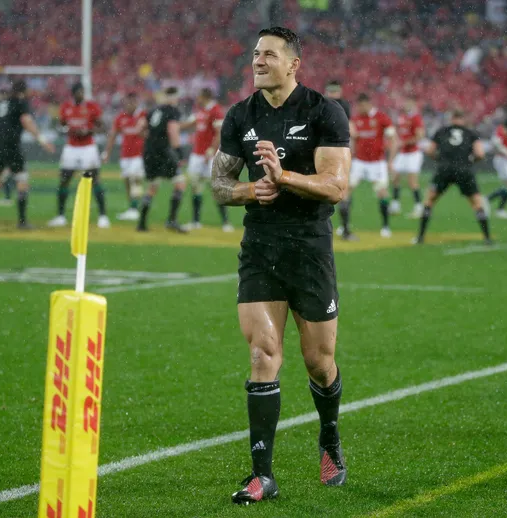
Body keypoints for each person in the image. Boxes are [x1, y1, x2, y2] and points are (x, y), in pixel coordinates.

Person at [211, 26, 350, 505]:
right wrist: (252, 189)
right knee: (262, 354)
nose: (258, 61)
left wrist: (284, 176)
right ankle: (262, 475)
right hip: (261, 248)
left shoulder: (323, 111)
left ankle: (329, 438)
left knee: (319, 362)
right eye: (255, 54)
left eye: (269, 54)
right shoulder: (240, 116)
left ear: (294, 64)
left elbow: (336, 186)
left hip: (309, 248)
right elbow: (219, 185)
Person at [0, 79, 55, 228]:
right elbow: (27, 121)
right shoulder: (21, 102)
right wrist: (42, 140)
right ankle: (22, 221)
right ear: (24, 91)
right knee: (22, 179)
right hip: (10, 146)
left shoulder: (4, 102)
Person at [415, 109, 491, 244]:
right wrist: (470, 161)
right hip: (464, 169)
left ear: (451, 118)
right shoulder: (471, 133)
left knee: (429, 200)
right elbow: (480, 154)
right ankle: (487, 238)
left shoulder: (442, 131)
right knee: (477, 203)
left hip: (444, 169)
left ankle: (420, 236)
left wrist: (440, 160)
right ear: (463, 119)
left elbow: (430, 150)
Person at [47, 82, 110, 229]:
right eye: (79, 92)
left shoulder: (91, 107)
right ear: (74, 93)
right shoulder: (66, 107)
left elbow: (102, 127)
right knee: (64, 180)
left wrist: (88, 131)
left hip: (88, 147)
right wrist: (67, 130)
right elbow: (60, 126)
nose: (81, 94)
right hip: (71, 147)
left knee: (95, 180)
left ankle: (103, 216)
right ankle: (61, 216)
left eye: (82, 92)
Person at [338, 92, 397, 240]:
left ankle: (385, 226)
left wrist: (390, 161)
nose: (359, 108)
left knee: (382, 193)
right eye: (358, 106)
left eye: (361, 105)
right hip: (359, 162)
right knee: (345, 191)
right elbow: (352, 140)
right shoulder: (356, 119)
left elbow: (393, 138)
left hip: (377, 162)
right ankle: (345, 226)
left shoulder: (381, 118)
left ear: (368, 104)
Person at [180, 88, 233, 232]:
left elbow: (219, 133)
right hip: (196, 155)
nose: (197, 99)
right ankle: (196, 221)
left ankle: (226, 222)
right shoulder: (200, 110)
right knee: (196, 186)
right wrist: (173, 124)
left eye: (199, 96)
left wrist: (211, 150)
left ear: (204, 97)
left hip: (210, 155)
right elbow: (188, 124)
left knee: (216, 187)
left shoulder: (216, 110)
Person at [137, 86, 188, 233]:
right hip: (163, 151)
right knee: (180, 183)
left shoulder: (154, 110)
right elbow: (173, 130)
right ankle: (171, 220)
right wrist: (179, 153)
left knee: (153, 185)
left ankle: (142, 223)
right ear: (175, 97)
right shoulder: (173, 111)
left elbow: (140, 128)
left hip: (149, 151)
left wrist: (152, 139)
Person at [103, 92, 146, 221]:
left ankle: (135, 209)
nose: (129, 105)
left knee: (135, 179)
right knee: (127, 181)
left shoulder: (143, 116)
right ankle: (132, 208)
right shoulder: (120, 118)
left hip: (139, 154)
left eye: (132, 102)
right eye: (128, 102)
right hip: (125, 155)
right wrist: (107, 152)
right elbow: (113, 135)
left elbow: (147, 134)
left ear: (136, 103)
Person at [391, 96, 425, 218]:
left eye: (409, 102)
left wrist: (404, 142)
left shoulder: (416, 118)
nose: (406, 104)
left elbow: (420, 136)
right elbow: (399, 135)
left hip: (413, 154)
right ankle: (395, 205)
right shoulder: (402, 117)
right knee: (395, 178)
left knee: (412, 181)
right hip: (403, 153)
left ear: (413, 104)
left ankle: (419, 207)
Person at [487, 123, 507, 220]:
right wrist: (506, 152)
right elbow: (495, 142)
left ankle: (494, 205)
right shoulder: (501, 129)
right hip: (503, 160)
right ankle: (491, 202)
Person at [0, 88, 14, 207]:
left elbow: (1, 123)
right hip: (8, 142)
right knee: (5, 171)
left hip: (3, 142)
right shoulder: (9, 105)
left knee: (3, 172)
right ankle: (7, 195)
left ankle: (7, 196)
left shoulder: (3, 105)